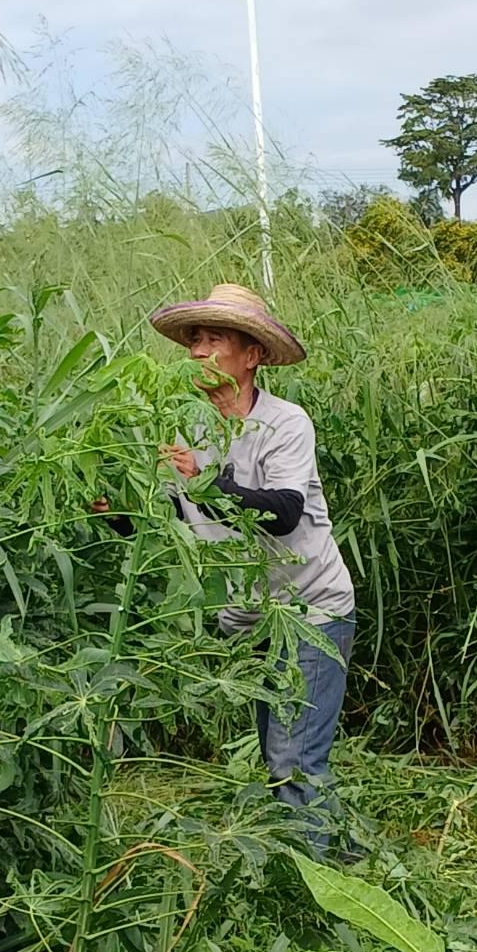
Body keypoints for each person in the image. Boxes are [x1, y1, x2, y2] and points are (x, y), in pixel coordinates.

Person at [103, 282, 355, 851]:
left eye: (214, 338)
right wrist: (111, 510)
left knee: (293, 760)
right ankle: (340, 855)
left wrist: (202, 479)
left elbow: (284, 514)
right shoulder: (186, 429)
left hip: (310, 609)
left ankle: (315, 888)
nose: (197, 352)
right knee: (283, 755)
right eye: (194, 340)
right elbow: (166, 517)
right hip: (248, 620)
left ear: (253, 355)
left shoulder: (286, 423)